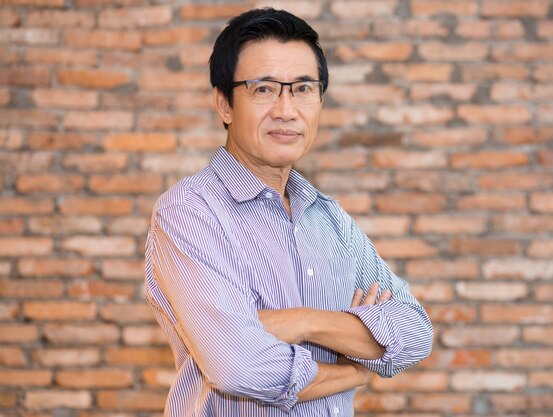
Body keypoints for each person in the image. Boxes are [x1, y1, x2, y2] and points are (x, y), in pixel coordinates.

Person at [145, 7, 433, 417]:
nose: (286, 109)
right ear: (224, 104)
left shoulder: (328, 219)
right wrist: (355, 367)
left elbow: (415, 333)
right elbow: (238, 365)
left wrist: (303, 322)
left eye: (302, 88)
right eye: (263, 89)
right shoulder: (190, 212)